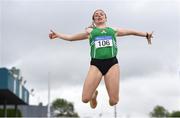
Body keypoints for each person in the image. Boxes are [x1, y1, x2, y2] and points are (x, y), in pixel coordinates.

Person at [49, 9, 153, 109]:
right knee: (85, 99)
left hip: (112, 64)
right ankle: (93, 95)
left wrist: (146, 34)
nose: (99, 15)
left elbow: (131, 31)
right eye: (96, 15)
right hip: (96, 65)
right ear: (94, 20)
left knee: (114, 102)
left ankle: (101, 95)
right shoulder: (90, 33)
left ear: (105, 18)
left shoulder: (113, 30)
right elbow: (71, 38)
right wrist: (58, 35)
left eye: (101, 14)